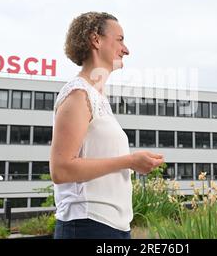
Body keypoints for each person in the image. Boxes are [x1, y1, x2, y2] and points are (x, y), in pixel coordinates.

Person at [50, 12, 164, 239]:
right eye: (120, 39)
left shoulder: (97, 97)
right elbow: (61, 170)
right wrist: (130, 161)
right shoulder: (78, 94)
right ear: (96, 40)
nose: (126, 49)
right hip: (87, 226)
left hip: (111, 226)